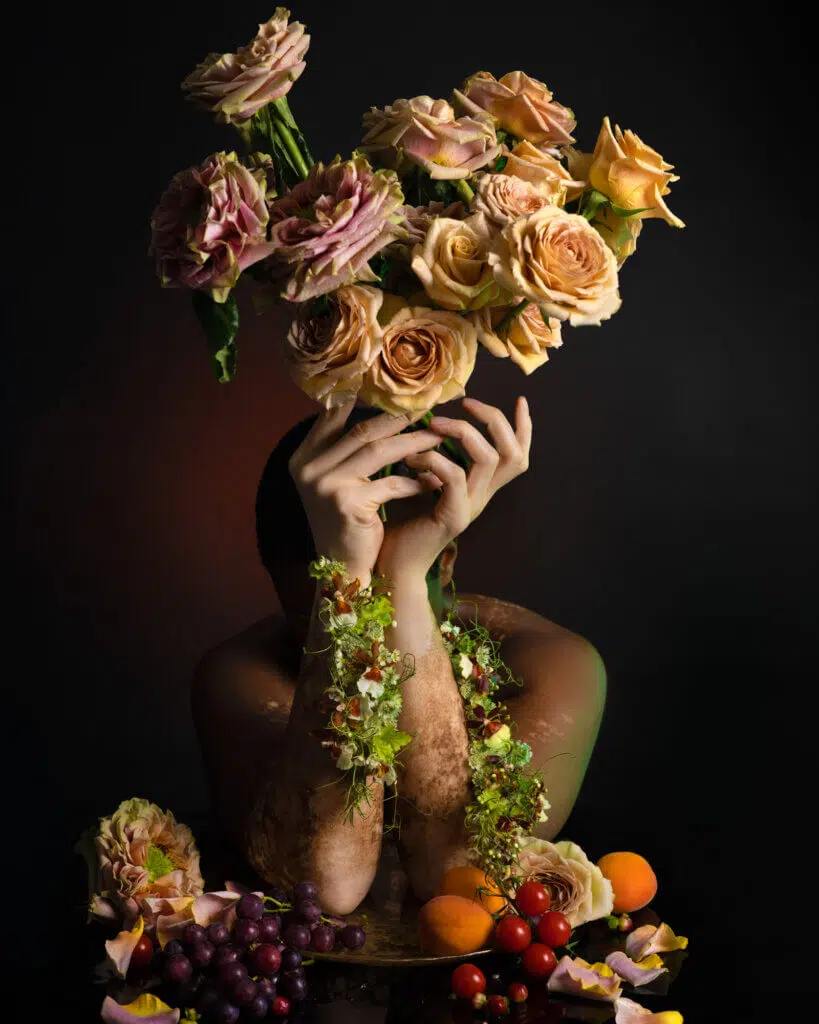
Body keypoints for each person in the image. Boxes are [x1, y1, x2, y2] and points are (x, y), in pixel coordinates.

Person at [191, 395, 606, 915]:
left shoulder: (550, 665)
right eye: (316, 611)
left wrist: (403, 580)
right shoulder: (241, 674)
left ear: (446, 561)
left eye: (382, 607)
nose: (377, 663)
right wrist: (345, 574)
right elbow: (325, 884)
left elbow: (457, 875)